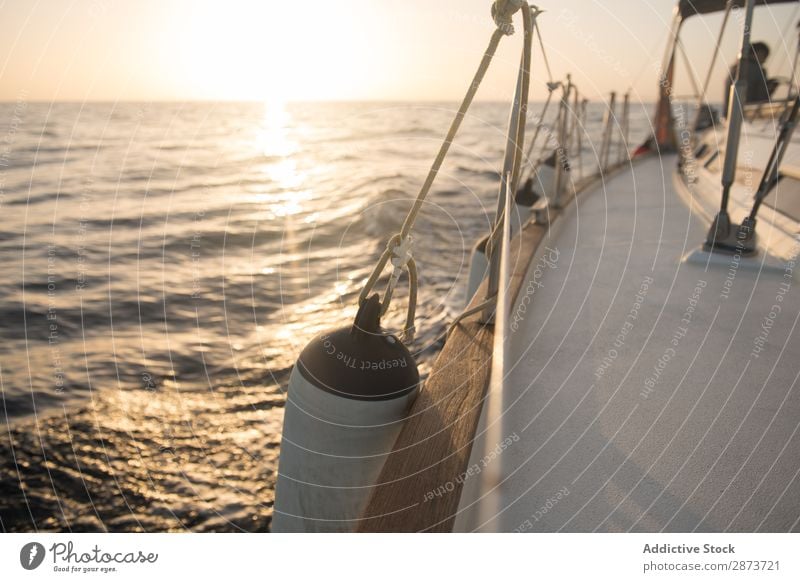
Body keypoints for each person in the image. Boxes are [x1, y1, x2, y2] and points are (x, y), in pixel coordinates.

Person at [723, 42, 778, 116]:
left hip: (730, 115)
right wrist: (770, 89)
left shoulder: (736, 68)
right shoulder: (757, 70)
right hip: (746, 116)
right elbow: (761, 97)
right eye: (765, 56)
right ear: (758, 53)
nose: (765, 61)